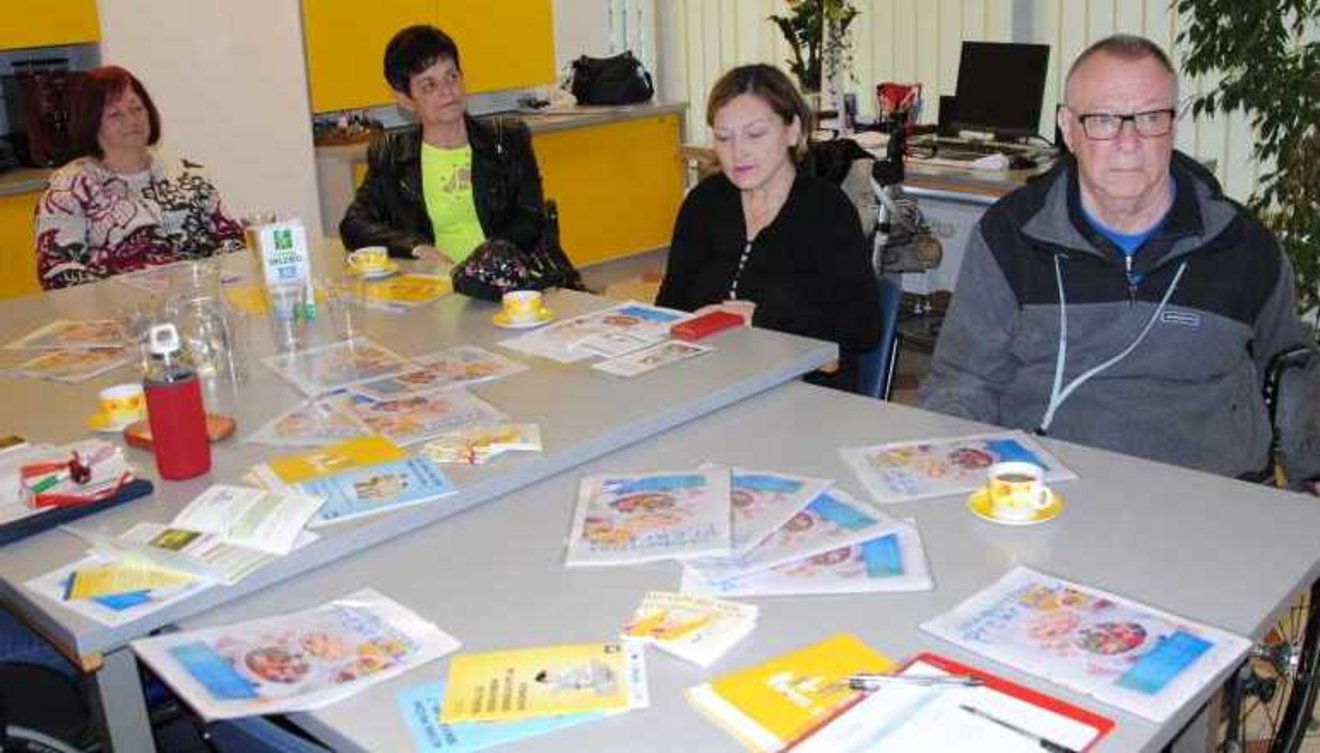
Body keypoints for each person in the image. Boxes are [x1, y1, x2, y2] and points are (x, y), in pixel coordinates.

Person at [919, 34, 1320, 484]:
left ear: (1173, 125)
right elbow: (964, 382)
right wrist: (951, 474)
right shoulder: (1009, 237)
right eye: (1104, 119)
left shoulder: (1242, 245)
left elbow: (1291, 365)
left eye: (1150, 117)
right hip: (1052, 490)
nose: (1129, 142)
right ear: (1068, 129)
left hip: (1212, 493)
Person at [655, 64, 881, 393]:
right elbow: (669, 306)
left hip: (802, 392)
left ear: (793, 131)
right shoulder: (704, 203)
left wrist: (761, 317)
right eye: (723, 138)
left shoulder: (826, 211)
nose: (738, 152)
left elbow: (863, 327)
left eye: (755, 134)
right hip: (708, 382)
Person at [340, 25, 544, 269]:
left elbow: (531, 218)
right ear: (405, 100)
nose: (447, 91)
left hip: (504, 278)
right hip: (435, 284)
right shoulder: (391, 154)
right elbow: (354, 224)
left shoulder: (507, 139)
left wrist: (481, 265)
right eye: (429, 85)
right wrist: (417, 248)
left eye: (452, 76)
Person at [34, 65, 243, 290]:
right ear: (91, 122)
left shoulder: (189, 174)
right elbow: (58, 272)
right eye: (115, 114)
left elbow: (231, 239)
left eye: (137, 109)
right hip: (117, 308)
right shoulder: (68, 189)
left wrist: (210, 280)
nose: (132, 120)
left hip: (201, 298)